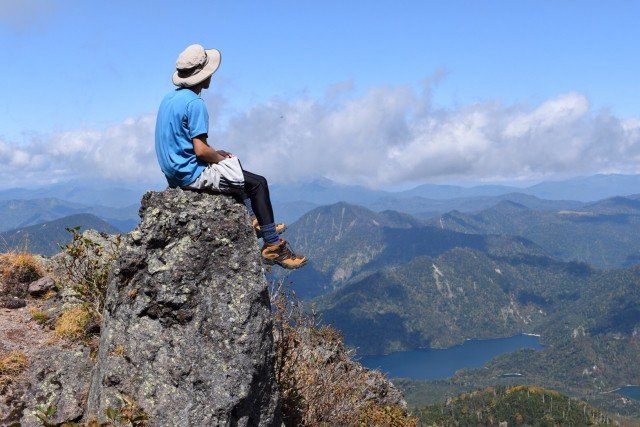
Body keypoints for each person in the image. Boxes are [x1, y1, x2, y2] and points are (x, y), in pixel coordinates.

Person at [155, 44, 307, 269]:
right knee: (258, 183)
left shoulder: (169, 99)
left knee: (233, 168)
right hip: (189, 173)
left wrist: (218, 155)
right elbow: (200, 150)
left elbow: (182, 142)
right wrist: (217, 157)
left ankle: (254, 219)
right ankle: (273, 246)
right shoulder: (195, 103)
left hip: (173, 170)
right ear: (203, 75)